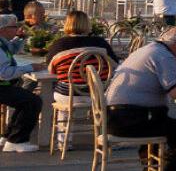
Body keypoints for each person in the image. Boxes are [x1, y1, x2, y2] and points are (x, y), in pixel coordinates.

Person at [106, 27, 176, 171]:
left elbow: (169, 84)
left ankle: (151, 168)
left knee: (163, 125)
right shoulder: (164, 56)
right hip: (130, 119)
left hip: (117, 117)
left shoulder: (152, 49)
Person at [45, 10, 121, 95]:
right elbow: (115, 65)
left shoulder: (59, 45)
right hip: (99, 93)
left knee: (52, 85)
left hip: (68, 93)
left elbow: (50, 70)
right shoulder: (100, 43)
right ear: (87, 24)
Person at [0, 15, 42, 152]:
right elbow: (4, 73)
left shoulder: (2, 42)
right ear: (3, 29)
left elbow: (11, 49)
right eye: (14, 27)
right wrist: (30, 67)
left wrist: (20, 38)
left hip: (4, 85)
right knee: (33, 101)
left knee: (24, 99)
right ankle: (17, 141)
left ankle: (9, 136)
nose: (17, 28)